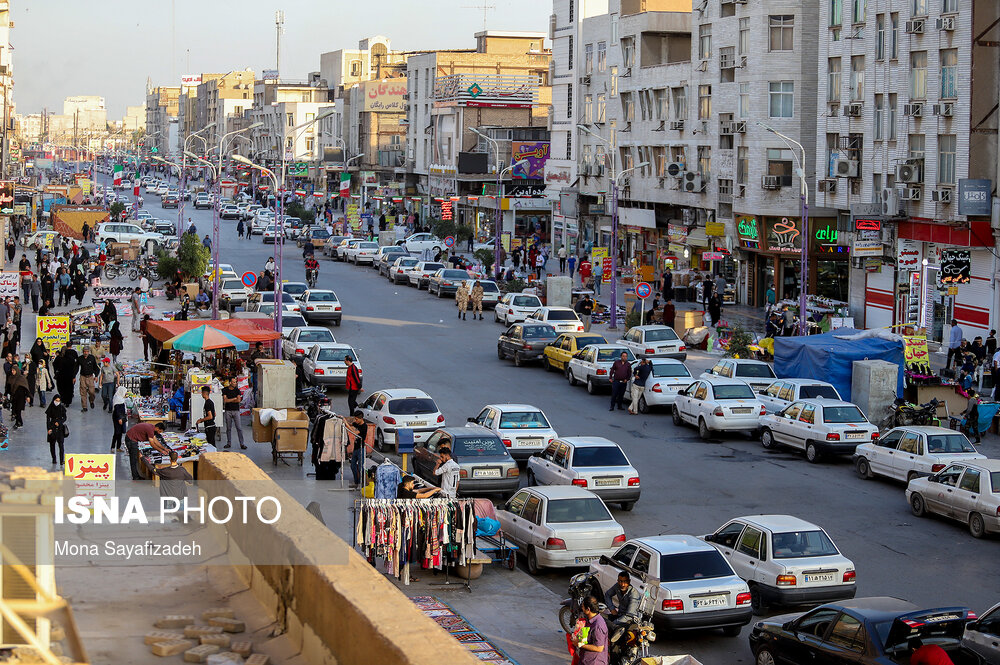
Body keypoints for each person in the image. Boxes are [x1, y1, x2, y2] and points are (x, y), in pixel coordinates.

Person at [604, 572, 642, 643]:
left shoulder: (634, 594)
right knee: (601, 618)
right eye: (620, 581)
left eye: (625, 582)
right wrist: (612, 609)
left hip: (629, 620)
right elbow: (607, 595)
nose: (622, 584)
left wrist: (614, 624)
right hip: (619, 615)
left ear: (629, 581)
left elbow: (629, 615)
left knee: (611, 627)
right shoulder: (617, 586)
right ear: (618, 581)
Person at [577, 596, 609, 665]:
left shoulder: (598, 626)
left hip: (594, 662)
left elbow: (599, 648)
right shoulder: (590, 619)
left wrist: (580, 644)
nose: (582, 608)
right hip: (586, 659)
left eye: (583, 607)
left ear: (588, 609)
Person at [344, 414, 374, 488]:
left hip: (361, 448)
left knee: (361, 467)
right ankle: (356, 482)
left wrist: (346, 424)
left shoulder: (364, 426)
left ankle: (362, 483)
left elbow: (354, 432)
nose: (356, 421)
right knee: (353, 465)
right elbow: (352, 423)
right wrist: (345, 420)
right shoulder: (357, 424)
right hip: (356, 448)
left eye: (357, 419)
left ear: (361, 418)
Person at [222, 377, 246, 450]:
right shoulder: (225, 390)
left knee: (239, 428)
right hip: (228, 410)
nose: (235, 383)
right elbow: (225, 400)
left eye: (235, 382)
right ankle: (229, 443)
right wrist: (234, 399)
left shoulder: (237, 390)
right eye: (234, 382)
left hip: (236, 410)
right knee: (228, 428)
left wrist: (230, 400)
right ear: (230, 383)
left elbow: (238, 400)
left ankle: (242, 443)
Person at [45, 395, 67, 467]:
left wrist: (60, 422)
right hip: (52, 427)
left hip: (60, 429)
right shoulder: (50, 408)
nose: (57, 402)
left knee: (61, 445)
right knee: (52, 444)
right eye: (56, 400)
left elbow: (65, 417)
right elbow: (48, 420)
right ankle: (54, 459)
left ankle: (61, 460)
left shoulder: (61, 408)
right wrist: (49, 429)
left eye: (58, 401)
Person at [76, 346, 99, 411]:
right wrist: (73, 376)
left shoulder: (92, 358)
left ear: (88, 352)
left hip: (90, 377)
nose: (85, 353)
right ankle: (84, 407)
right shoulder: (80, 358)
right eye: (84, 352)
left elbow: (96, 367)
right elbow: (76, 367)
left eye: (87, 351)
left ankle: (91, 401)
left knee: (92, 392)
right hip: (83, 377)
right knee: (83, 392)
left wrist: (96, 376)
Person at [110, 386, 127, 453]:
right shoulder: (118, 399)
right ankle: (113, 446)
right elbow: (117, 410)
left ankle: (118, 447)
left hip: (121, 417)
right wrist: (119, 418)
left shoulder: (120, 398)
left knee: (120, 433)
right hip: (117, 418)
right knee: (117, 432)